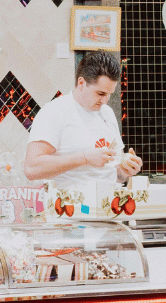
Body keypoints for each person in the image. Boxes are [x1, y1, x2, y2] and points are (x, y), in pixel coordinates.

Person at [25, 51, 142, 214]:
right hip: (67, 215)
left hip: (107, 212)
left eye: (109, 94)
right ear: (81, 83)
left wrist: (126, 170)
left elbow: (114, 175)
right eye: (100, 93)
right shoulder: (55, 111)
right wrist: (85, 158)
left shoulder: (107, 113)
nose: (105, 100)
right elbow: (32, 168)